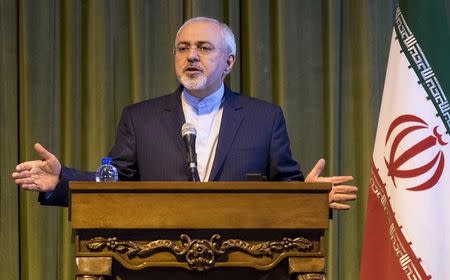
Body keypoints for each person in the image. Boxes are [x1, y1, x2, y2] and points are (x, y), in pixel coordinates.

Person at [12, 17, 357, 209]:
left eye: (204, 48)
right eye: (183, 48)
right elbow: (113, 183)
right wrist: (62, 181)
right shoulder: (140, 118)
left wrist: (311, 198)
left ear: (229, 62)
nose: (191, 56)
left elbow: (286, 188)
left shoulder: (263, 118)